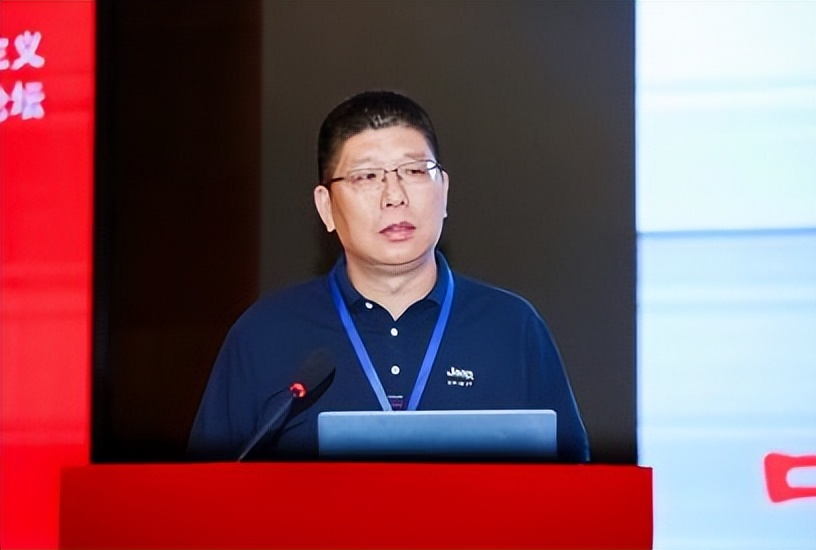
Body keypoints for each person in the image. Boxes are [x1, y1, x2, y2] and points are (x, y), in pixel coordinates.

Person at [188, 91, 589, 462]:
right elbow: (203, 496)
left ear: (444, 191)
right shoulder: (263, 335)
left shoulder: (513, 329)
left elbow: (577, 492)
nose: (394, 196)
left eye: (414, 171)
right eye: (367, 176)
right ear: (326, 207)